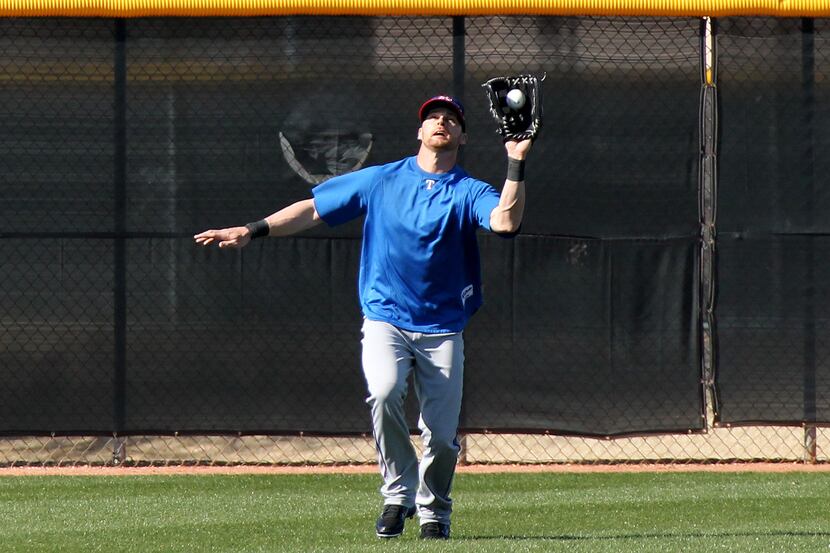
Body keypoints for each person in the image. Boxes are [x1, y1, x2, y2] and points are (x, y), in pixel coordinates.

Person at [194, 95, 533, 540]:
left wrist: (516, 161)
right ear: (419, 131)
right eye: (432, 116)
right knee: (384, 392)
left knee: (442, 434)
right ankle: (397, 495)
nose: (441, 122)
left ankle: (435, 511)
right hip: (385, 317)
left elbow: (505, 221)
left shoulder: (468, 189)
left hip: (442, 326)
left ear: (462, 136)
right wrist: (252, 229)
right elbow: (313, 208)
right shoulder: (381, 180)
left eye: (451, 119)